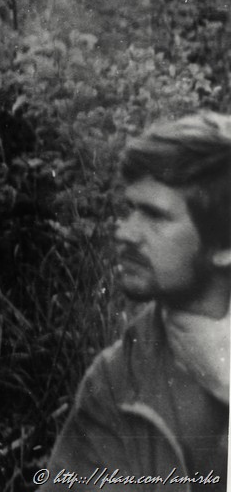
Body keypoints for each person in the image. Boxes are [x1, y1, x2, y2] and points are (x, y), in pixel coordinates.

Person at [44, 112, 230, 492]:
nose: (125, 232)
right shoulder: (117, 381)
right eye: (131, 209)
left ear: (225, 246)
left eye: (155, 215)